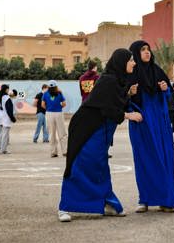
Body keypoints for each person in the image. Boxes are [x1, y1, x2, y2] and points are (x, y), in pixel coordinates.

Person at [58, 48, 143, 222]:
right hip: (87, 130)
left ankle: (107, 203)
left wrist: (128, 94)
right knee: (80, 166)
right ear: (121, 62)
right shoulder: (108, 80)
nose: (134, 63)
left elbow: (115, 101)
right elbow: (107, 108)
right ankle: (65, 207)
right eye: (131, 60)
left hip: (99, 131)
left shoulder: (117, 81)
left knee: (99, 167)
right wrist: (129, 116)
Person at [127, 40, 174, 213]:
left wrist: (165, 89)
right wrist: (130, 93)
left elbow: (169, 97)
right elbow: (121, 98)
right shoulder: (130, 73)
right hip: (141, 122)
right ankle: (145, 199)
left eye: (148, 49)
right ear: (135, 53)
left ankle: (166, 199)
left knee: (163, 158)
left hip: (159, 121)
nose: (147, 52)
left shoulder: (157, 71)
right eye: (143, 50)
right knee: (144, 159)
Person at [42, 80, 68, 158]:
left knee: (52, 133)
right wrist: (59, 107)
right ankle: (65, 151)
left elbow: (42, 105)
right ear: (56, 86)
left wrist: (49, 108)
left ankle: (53, 152)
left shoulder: (45, 94)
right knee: (62, 133)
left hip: (49, 113)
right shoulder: (59, 93)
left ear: (48, 87)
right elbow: (64, 104)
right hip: (59, 113)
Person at [0, 89, 17, 154]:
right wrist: (13, 118)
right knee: (5, 134)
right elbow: (9, 110)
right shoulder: (7, 98)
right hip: (5, 117)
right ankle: (4, 149)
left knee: (0, 133)